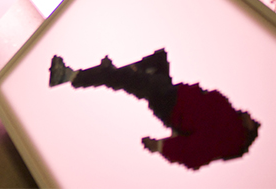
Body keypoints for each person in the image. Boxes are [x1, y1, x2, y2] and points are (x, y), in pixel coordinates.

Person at [49, 49, 260, 170]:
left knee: (130, 79)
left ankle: (70, 76)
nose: (250, 116)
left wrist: (161, 146)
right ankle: (113, 73)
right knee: (158, 61)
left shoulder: (230, 137)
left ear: (248, 132)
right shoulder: (229, 118)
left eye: (253, 123)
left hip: (170, 105)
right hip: (172, 94)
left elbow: (195, 151)